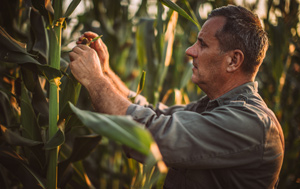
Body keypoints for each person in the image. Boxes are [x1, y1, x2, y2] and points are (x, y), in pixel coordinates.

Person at [69, 5, 284, 189]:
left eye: (203, 44)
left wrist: (94, 79)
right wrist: (105, 72)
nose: (190, 51)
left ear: (233, 61)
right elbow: (153, 113)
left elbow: (152, 135)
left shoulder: (251, 123)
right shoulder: (213, 107)